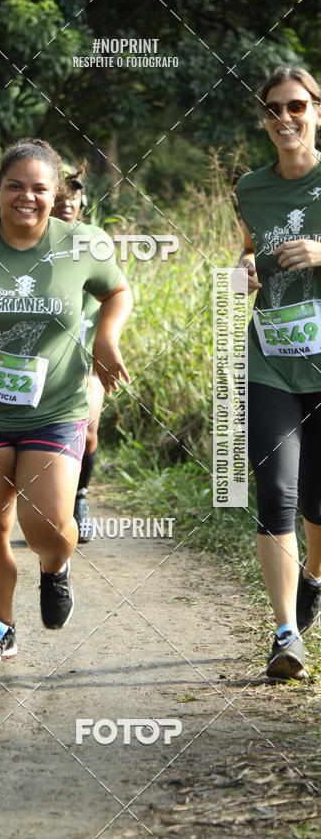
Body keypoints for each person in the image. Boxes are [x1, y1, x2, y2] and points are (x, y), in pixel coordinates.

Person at [0, 138, 133, 663]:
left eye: (39, 188)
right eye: (15, 186)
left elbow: (117, 292)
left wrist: (106, 339)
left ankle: (55, 568)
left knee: (48, 528)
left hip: (55, 408)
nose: (26, 197)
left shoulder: (84, 243)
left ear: (56, 192)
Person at [235, 65, 321, 680]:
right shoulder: (250, 188)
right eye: (273, 109)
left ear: (317, 110)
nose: (284, 119)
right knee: (278, 491)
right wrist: (244, 270)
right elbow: (246, 247)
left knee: (319, 498)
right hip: (270, 358)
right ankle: (286, 632)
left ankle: (313, 575)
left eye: (296, 107)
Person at [53, 163, 104, 543]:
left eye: (76, 191)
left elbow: (116, 294)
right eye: (62, 191)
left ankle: (79, 497)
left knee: (87, 431)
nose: (69, 199)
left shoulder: (93, 239)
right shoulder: (28, 239)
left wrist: (109, 340)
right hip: (38, 359)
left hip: (86, 355)